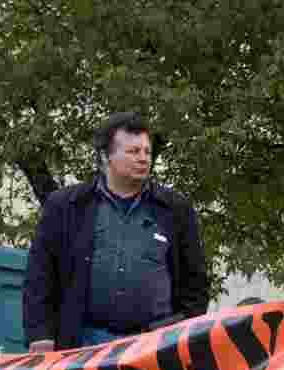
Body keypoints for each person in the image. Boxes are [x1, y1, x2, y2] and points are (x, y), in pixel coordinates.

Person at [23, 112, 209, 351]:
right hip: (82, 347)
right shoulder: (66, 206)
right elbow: (40, 275)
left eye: (147, 152)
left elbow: (196, 284)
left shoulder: (175, 209)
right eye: (133, 152)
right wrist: (40, 334)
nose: (143, 159)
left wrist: (181, 335)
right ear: (105, 157)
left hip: (154, 350)